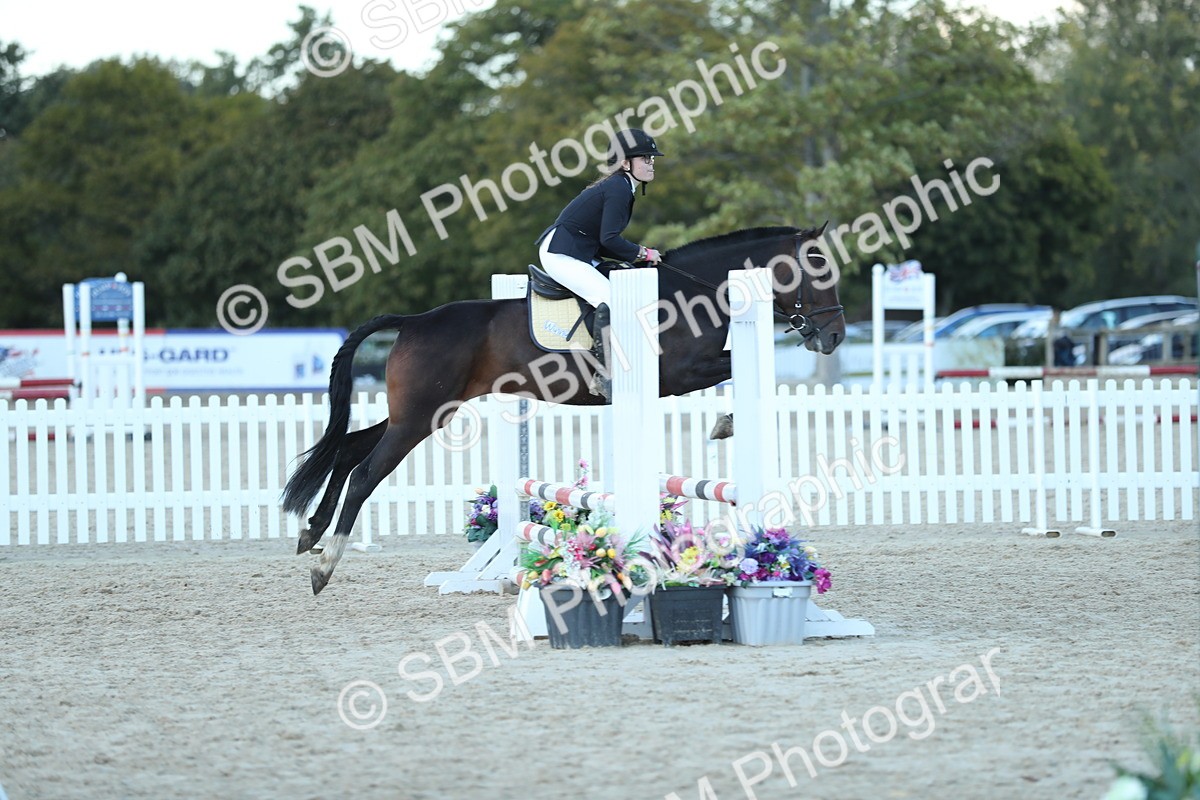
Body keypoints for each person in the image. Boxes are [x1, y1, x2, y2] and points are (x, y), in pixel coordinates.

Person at [534, 128, 664, 400]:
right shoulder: (618, 187)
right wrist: (643, 253)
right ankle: (603, 376)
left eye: (652, 159)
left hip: (582, 251)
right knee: (610, 300)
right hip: (562, 253)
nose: (652, 163)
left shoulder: (622, 186)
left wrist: (636, 259)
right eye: (646, 159)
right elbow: (610, 239)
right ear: (625, 162)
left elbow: (605, 243)